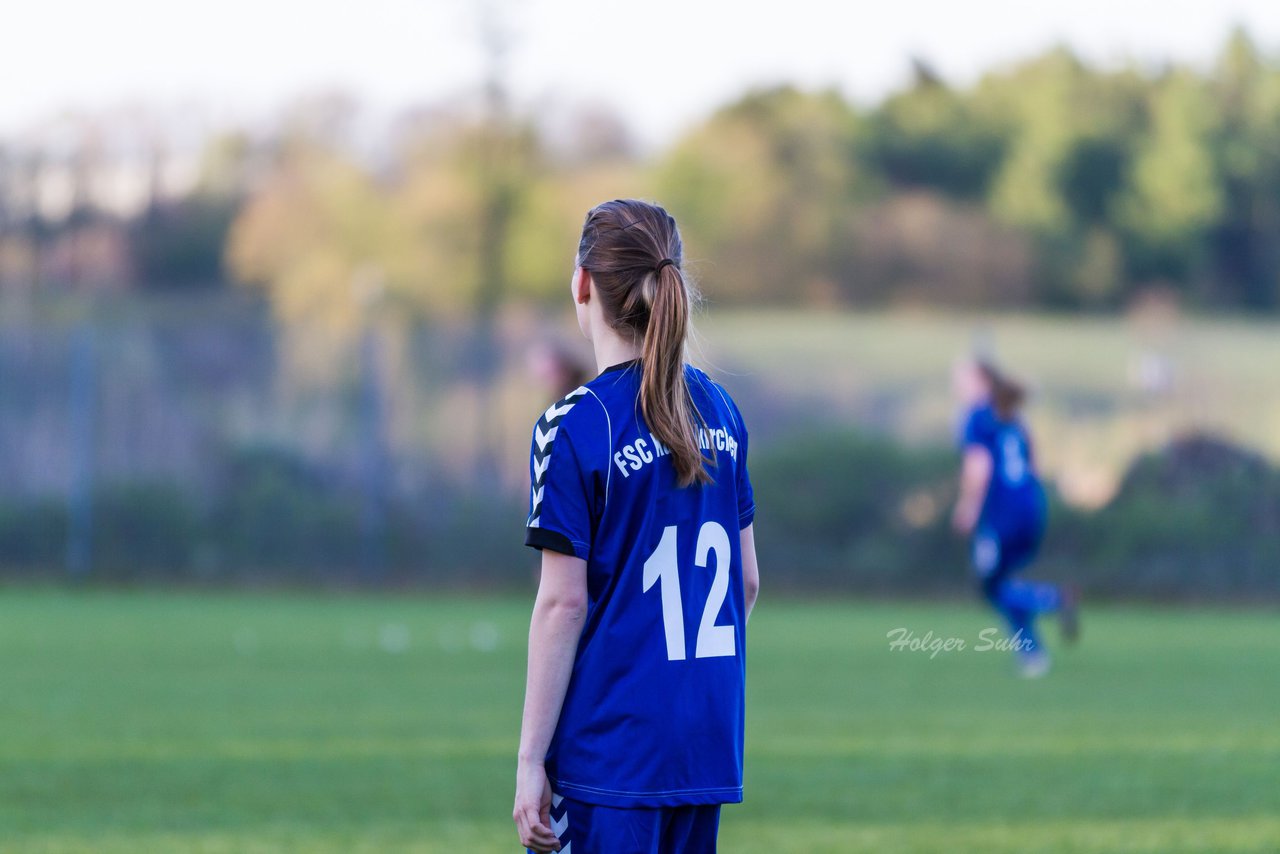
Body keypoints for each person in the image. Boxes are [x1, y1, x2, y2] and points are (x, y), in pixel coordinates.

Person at [513, 199, 760, 853]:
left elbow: (563, 603)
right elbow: (748, 581)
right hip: (705, 742)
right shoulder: (719, 407)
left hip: (611, 750)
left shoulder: (574, 423)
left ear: (583, 284)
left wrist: (530, 759)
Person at [951, 358, 1077, 678]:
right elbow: (1032, 465)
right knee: (1003, 586)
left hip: (1000, 516)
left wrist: (968, 507)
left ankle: (1052, 600)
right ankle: (1032, 655)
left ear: (981, 382)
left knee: (990, 587)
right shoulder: (1014, 418)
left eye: (962, 378)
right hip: (1032, 509)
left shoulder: (978, 417)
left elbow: (979, 467)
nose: (957, 384)